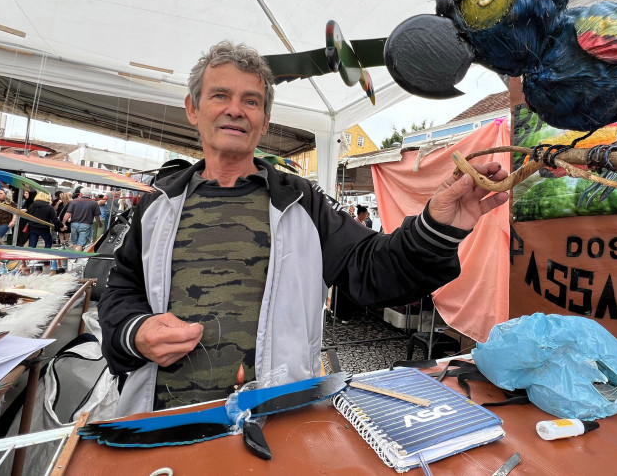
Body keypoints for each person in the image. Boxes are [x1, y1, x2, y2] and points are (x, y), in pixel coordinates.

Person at [98, 41, 508, 416]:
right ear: (193, 107)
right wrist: (136, 332)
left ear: (264, 120)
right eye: (220, 95)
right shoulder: (157, 204)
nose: (235, 109)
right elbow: (121, 291)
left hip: (276, 420)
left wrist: (436, 227)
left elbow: (371, 268)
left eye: (251, 101)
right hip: (161, 421)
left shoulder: (300, 201)